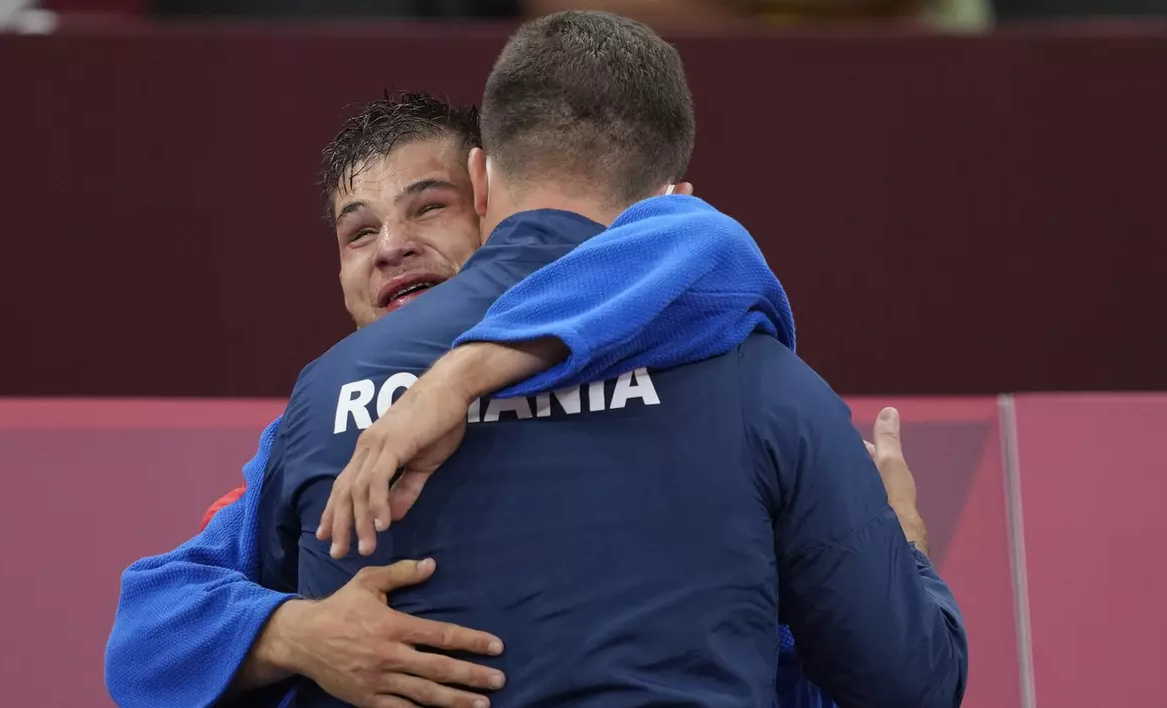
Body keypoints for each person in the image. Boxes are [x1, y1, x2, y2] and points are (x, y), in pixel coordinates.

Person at [266, 10, 966, 707]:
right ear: (672, 201)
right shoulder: (772, 388)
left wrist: (284, 633)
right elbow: (911, 686)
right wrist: (901, 544)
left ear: (479, 183)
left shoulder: (329, 391)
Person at [104, 89, 822, 708]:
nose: (391, 246)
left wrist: (461, 377)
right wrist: (300, 634)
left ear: (492, 208)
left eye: (428, 209)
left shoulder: (664, 349)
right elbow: (144, 635)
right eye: (358, 232)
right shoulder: (319, 423)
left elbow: (701, 239)